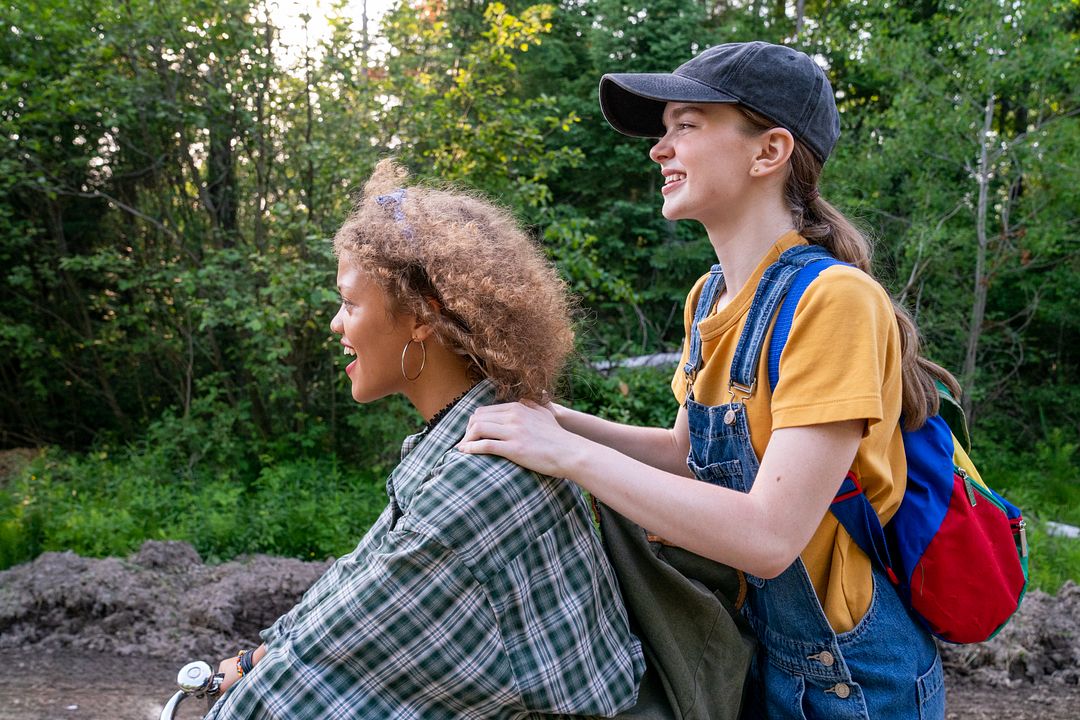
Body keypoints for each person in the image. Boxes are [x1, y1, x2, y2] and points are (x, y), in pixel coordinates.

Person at [459, 42, 953, 719]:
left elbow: (769, 538)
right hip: (754, 657)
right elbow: (683, 454)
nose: (659, 149)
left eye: (685, 125)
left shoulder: (835, 301)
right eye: (663, 130)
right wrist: (550, 418)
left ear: (769, 152)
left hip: (855, 686)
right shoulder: (711, 295)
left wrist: (567, 454)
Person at [203, 159, 645, 719]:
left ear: (421, 318)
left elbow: (315, 671)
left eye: (349, 303)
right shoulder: (478, 431)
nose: (336, 323)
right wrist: (254, 659)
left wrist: (239, 689)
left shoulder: (473, 485)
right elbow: (353, 583)